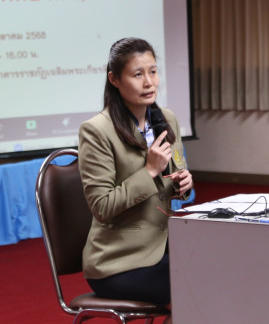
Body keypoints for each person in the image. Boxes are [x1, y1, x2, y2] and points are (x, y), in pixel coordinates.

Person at [78, 37, 193, 324]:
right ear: (114, 79)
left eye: (153, 71)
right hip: (119, 262)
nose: (149, 82)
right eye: (138, 74)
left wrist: (183, 184)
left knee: (219, 274)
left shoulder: (167, 119)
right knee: (197, 291)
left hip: (164, 248)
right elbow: (102, 207)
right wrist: (149, 171)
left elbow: (175, 185)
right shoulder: (97, 131)